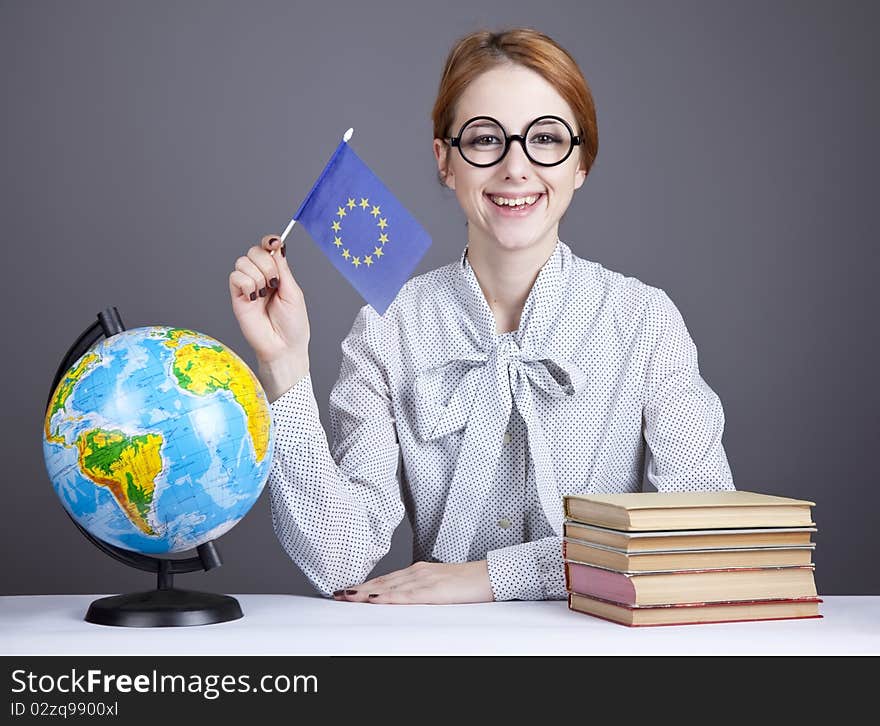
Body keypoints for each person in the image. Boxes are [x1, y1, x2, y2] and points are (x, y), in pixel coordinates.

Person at [228, 27, 735, 605]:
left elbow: (696, 535)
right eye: (485, 140)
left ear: (581, 163)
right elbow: (339, 556)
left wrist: (492, 577)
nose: (516, 168)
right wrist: (285, 366)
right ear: (445, 162)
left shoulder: (645, 322)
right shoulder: (388, 330)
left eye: (545, 138)